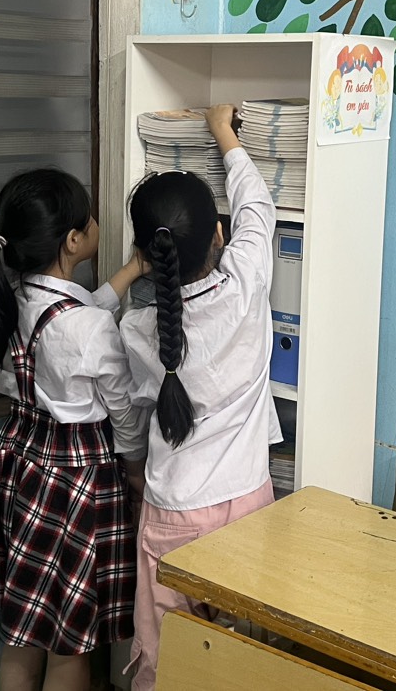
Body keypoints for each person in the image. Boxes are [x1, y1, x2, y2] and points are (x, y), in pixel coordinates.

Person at [0, 168, 148, 691]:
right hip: (77, 481)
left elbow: (73, 315)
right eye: (90, 217)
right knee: (70, 643)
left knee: (25, 629)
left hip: (22, 466)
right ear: (73, 241)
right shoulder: (88, 327)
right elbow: (124, 415)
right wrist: (135, 473)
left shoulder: (11, 295)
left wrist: (130, 271)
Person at [119, 105, 282, 691]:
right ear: (219, 235)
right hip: (248, 504)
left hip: (173, 511)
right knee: (241, 661)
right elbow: (258, 208)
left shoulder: (137, 330)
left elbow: (133, 415)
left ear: (145, 254)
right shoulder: (245, 288)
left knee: (167, 661)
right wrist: (223, 133)